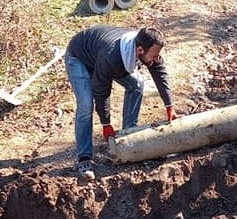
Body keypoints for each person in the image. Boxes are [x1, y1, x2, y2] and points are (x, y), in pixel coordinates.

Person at [65, 25, 178, 180]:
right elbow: (101, 90)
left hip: (103, 57)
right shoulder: (111, 56)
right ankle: (84, 158)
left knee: (136, 84)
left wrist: (169, 105)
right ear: (140, 51)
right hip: (80, 59)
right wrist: (106, 124)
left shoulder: (149, 46)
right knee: (86, 105)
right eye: (154, 56)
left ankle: (128, 135)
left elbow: (159, 72)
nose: (157, 59)